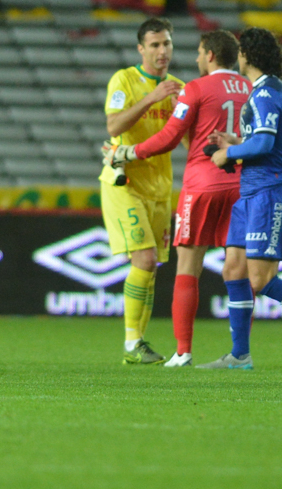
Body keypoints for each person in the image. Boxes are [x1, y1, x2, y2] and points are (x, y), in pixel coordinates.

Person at [106, 30, 250, 366]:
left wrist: (130, 151)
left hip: (202, 186)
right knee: (237, 270)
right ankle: (241, 353)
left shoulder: (196, 88)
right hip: (242, 185)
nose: (196, 58)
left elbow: (171, 137)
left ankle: (183, 352)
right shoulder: (249, 88)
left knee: (188, 266)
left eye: (200, 52)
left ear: (211, 55)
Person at [99, 17, 183, 364]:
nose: (162, 51)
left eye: (166, 43)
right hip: (125, 181)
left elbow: (188, 137)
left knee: (150, 268)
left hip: (160, 187)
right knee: (145, 259)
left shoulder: (179, 87)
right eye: (154, 45)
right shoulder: (125, 80)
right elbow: (114, 125)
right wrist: (152, 98)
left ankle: (139, 343)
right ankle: (132, 342)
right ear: (141, 49)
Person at [201, 27, 282, 369]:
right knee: (233, 271)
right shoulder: (262, 91)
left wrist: (229, 156)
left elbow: (264, 145)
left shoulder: (266, 94)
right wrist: (234, 141)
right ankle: (239, 355)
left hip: (267, 192)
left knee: (260, 280)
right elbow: (263, 139)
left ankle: (239, 354)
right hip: (249, 193)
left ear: (248, 55)